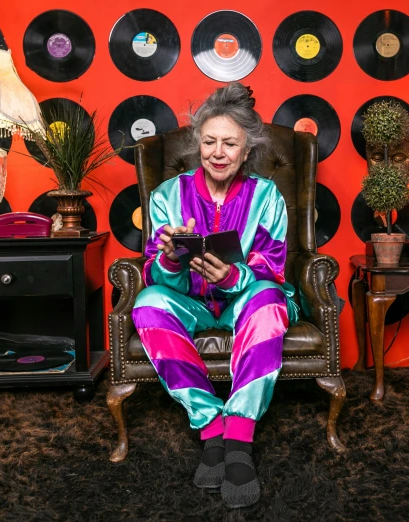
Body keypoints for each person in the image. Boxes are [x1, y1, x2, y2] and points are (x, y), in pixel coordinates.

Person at [130, 83, 296, 509]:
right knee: (147, 303)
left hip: (245, 301)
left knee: (268, 300)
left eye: (229, 143)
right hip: (191, 304)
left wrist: (230, 276)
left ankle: (239, 436)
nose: (218, 153)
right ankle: (211, 428)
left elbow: (272, 268)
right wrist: (169, 260)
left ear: (246, 151)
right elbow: (153, 273)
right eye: (209, 142)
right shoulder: (167, 196)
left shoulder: (267, 196)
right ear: (197, 144)